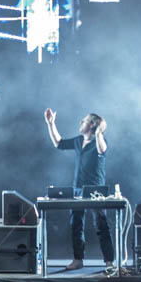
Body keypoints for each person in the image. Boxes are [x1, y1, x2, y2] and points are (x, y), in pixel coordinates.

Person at [44, 108, 110, 271]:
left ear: (93, 125)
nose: (81, 122)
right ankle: (78, 259)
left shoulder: (99, 141)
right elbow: (59, 143)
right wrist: (51, 124)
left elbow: (102, 149)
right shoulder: (78, 140)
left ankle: (109, 262)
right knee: (76, 225)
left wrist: (99, 132)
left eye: (85, 120)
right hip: (77, 189)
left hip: (96, 191)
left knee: (101, 225)